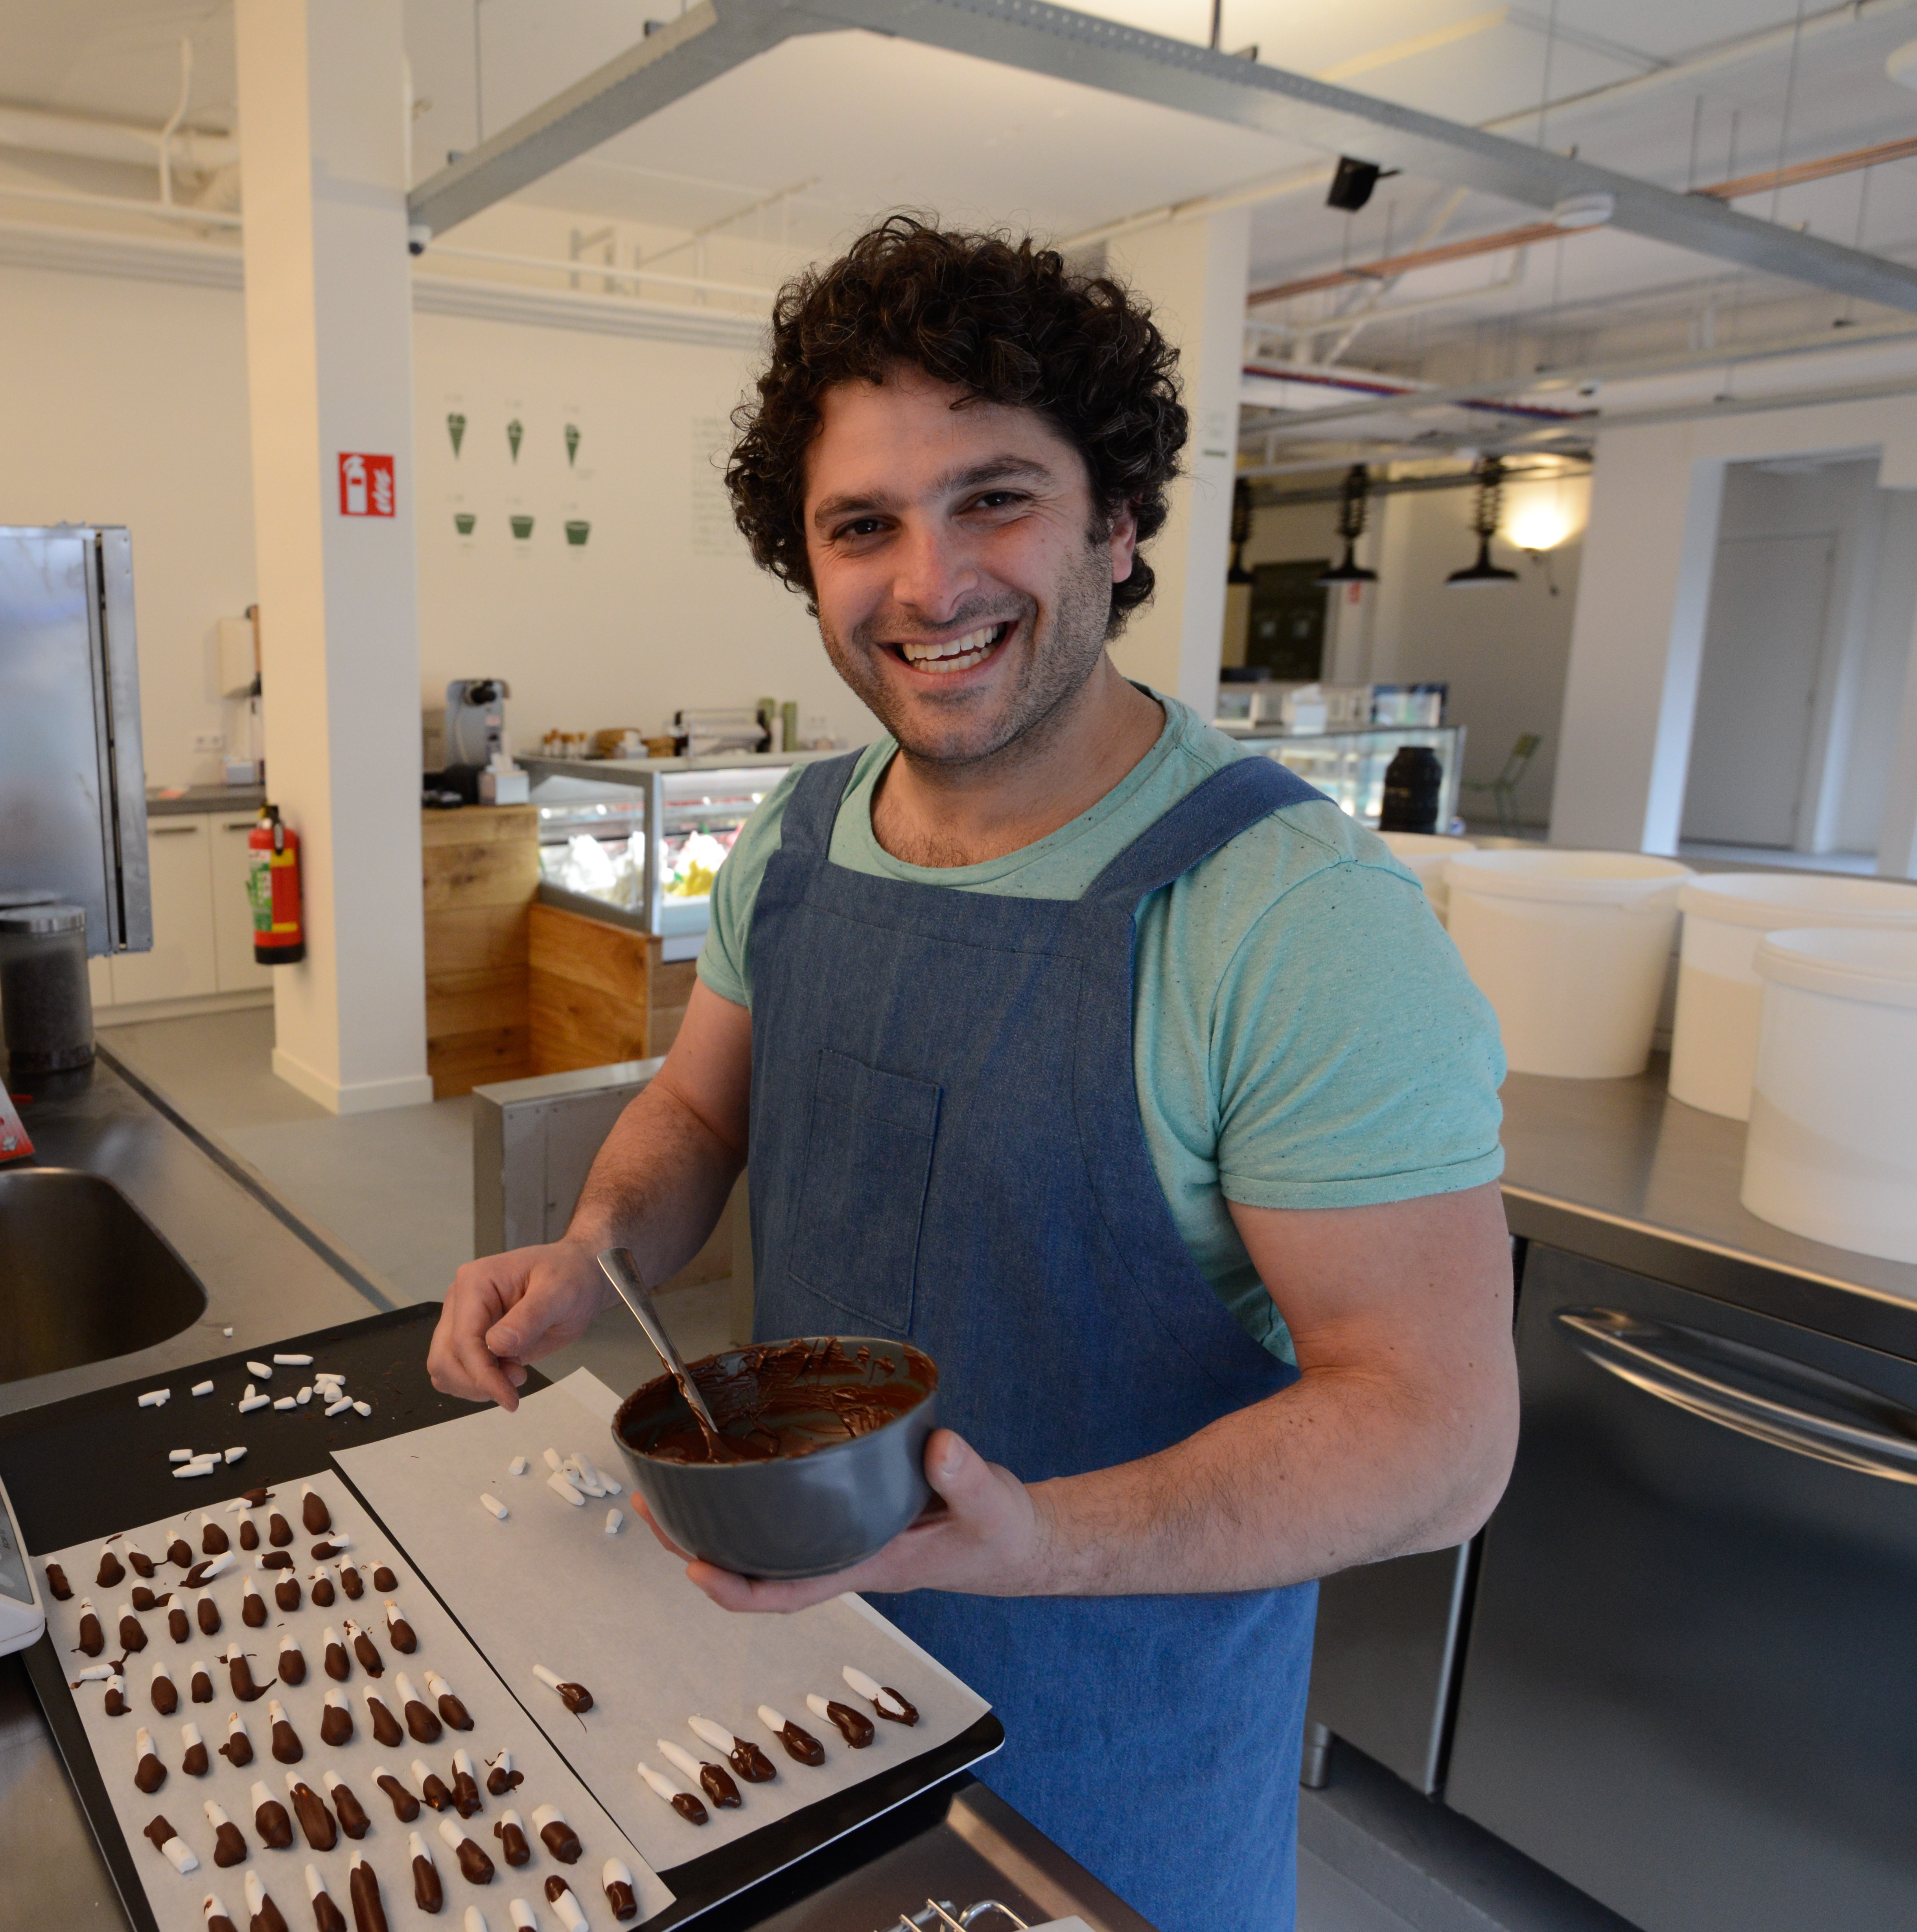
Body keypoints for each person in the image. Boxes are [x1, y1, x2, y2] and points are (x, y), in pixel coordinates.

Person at [427, 217, 1517, 1932]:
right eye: (862, 525)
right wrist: (599, 1251)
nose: (929, 585)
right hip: (792, 1705)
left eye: (994, 498)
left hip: (1102, 1788)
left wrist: (1042, 1541)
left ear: (1119, 521)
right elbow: (703, 1110)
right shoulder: (794, 837)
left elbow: (1438, 1436)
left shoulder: (1291, 920)